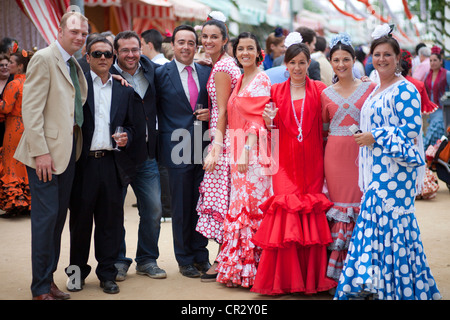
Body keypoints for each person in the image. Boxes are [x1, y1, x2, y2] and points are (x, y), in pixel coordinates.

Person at [334, 24, 441, 300]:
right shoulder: (375, 88)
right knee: (376, 226)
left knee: (393, 228)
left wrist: (375, 136)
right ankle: (375, 285)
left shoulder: (405, 90)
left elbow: (410, 132)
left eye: (387, 55)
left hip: (397, 171)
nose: (381, 59)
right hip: (376, 170)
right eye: (377, 54)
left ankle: (394, 288)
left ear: (398, 59)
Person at [251, 32, 336, 295]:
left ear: (308, 63)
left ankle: (310, 280)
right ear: (285, 65)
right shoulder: (274, 91)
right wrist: (268, 121)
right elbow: (267, 130)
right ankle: (285, 280)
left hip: (313, 161)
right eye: (293, 63)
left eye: (302, 62)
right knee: (287, 212)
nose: (297, 68)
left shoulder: (320, 90)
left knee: (309, 215)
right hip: (284, 163)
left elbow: (339, 108)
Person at [14, 11, 89, 300]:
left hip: (68, 151)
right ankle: (40, 288)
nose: (79, 37)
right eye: (74, 32)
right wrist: (41, 153)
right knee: (46, 221)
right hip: (46, 155)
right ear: (59, 31)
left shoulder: (72, 63)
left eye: (83, 33)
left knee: (56, 220)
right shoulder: (45, 58)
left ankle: (48, 280)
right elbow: (30, 111)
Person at [66, 36, 135, 294]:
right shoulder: (78, 88)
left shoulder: (124, 89)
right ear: (88, 57)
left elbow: (133, 126)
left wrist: (128, 136)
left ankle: (107, 274)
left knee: (110, 224)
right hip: (83, 164)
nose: (103, 58)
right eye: (97, 54)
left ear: (113, 57)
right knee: (80, 225)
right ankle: (76, 273)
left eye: (107, 54)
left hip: (111, 164)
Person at [215, 32, 272, 288]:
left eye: (250, 48)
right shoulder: (239, 79)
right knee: (241, 207)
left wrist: (246, 151)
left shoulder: (261, 78)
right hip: (238, 148)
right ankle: (242, 269)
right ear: (235, 52)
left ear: (258, 52)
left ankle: (257, 269)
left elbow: (258, 120)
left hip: (253, 152)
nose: (245, 52)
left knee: (251, 207)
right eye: (241, 48)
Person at [155, 25, 211, 278]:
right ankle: (185, 258)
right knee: (181, 206)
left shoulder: (207, 71)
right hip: (176, 148)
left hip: (205, 146)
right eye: (181, 42)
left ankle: (201, 255)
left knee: (202, 204)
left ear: (196, 45)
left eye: (191, 42)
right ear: (173, 45)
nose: (186, 47)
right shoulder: (159, 74)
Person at [320, 33, 376, 282]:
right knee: (339, 208)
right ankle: (338, 277)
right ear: (330, 62)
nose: (340, 64)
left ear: (354, 60)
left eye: (345, 59)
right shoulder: (325, 93)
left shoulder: (370, 88)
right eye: (335, 60)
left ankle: (361, 275)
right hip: (334, 157)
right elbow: (323, 130)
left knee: (361, 205)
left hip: (362, 156)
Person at [111, 31, 166, 280]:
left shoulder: (152, 70)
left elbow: (174, 70)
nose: (131, 55)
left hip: (147, 155)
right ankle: (118, 261)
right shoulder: (105, 75)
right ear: (116, 52)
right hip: (117, 156)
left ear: (141, 49)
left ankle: (147, 259)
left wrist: (205, 63)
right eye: (125, 50)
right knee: (114, 212)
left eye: (135, 49)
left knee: (154, 209)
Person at [195, 14, 241, 282]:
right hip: (225, 136)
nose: (208, 40)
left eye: (214, 36)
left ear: (225, 40)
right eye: (205, 36)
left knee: (221, 200)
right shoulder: (222, 65)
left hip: (223, 142)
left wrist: (216, 148)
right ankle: (224, 257)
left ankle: (221, 259)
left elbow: (223, 110)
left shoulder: (223, 68)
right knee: (225, 199)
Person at [140, 28, 172, 221]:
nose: (140, 49)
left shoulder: (156, 68)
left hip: (158, 127)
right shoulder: (167, 65)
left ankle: (165, 208)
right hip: (165, 126)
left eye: (141, 45)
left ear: (149, 45)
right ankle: (165, 207)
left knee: (161, 168)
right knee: (163, 168)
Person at [0, 49, 33, 217]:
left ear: (20, 66)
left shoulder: (14, 84)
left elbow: (5, 107)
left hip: (14, 127)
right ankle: (28, 202)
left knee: (11, 164)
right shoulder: (31, 82)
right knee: (25, 165)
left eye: (11, 62)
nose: (9, 65)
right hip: (28, 126)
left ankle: (15, 204)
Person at [423, 46, 450, 150]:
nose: (432, 63)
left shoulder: (446, 74)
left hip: (442, 110)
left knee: (435, 133)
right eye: (430, 60)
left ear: (440, 61)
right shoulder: (427, 75)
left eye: (435, 60)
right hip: (430, 111)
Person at [0, 53, 14, 148]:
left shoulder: (14, 82)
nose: (4, 67)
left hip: (9, 125)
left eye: (6, 65)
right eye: (1, 65)